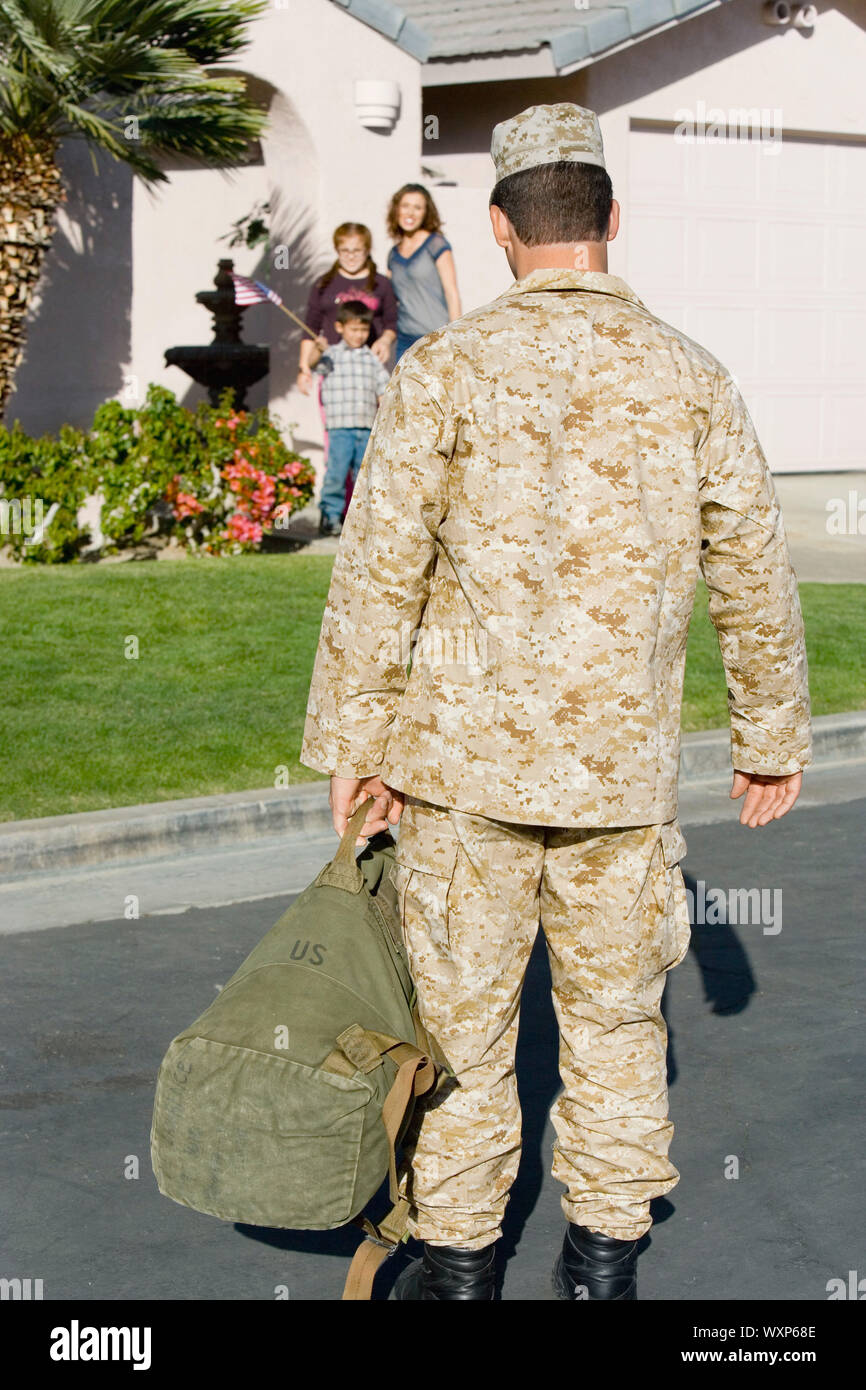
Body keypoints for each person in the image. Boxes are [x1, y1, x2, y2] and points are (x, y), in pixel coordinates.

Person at [301, 103, 812, 1300]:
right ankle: (600, 1265)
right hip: (618, 780)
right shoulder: (690, 376)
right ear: (611, 222)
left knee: (465, 1035)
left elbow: (380, 573)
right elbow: (749, 561)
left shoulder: (442, 373)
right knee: (619, 1027)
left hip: (459, 775)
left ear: (494, 228)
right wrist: (767, 732)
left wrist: (350, 745)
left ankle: (462, 1265)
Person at [309, 301, 390, 537]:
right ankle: (330, 515)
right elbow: (312, 364)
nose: (359, 335)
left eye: (363, 330)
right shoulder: (331, 355)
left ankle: (358, 518)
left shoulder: (372, 358)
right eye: (353, 330)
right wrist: (317, 349)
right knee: (337, 471)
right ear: (340, 327)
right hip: (340, 426)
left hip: (365, 425)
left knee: (363, 475)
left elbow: (383, 389)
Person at [386, 183, 461, 361]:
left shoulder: (436, 244)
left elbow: (452, 293)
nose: (410, 213)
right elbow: (390, 300)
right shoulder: (393, 255)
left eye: (417, 208)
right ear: (396, 209)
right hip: (405, 340)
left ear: (425, 213)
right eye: (405, 206)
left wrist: (457, 336)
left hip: (436, 337)